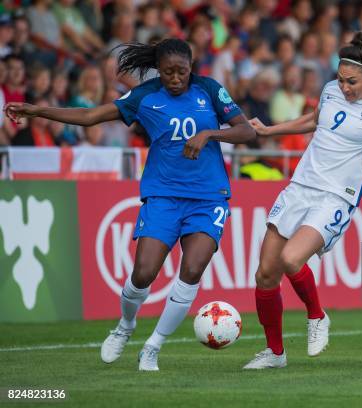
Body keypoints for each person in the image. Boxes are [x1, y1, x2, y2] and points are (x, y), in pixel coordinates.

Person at [4, 38, 255, 371]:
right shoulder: (145, 96)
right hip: (163, 195)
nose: (176, 79)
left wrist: (209, 135)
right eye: (168, 73)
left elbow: (246, 131)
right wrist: (37, 109)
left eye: (181, 71)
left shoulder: (209, 89)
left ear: (191, 67)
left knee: (192, 269)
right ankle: (125, 327)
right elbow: (91, 115)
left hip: (208, 197)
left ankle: (152, 347)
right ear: (159, 72)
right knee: (143, 273)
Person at [243, 32, 362, 370]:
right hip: (300, 186)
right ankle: (275, 353)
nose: (344, 87)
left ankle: (317, 316)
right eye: (340, 79)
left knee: (291, 259)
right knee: (265, 274)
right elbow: (314, 120)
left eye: (352, 82)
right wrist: (267, 131)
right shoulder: (331, 90)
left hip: (335, 197)